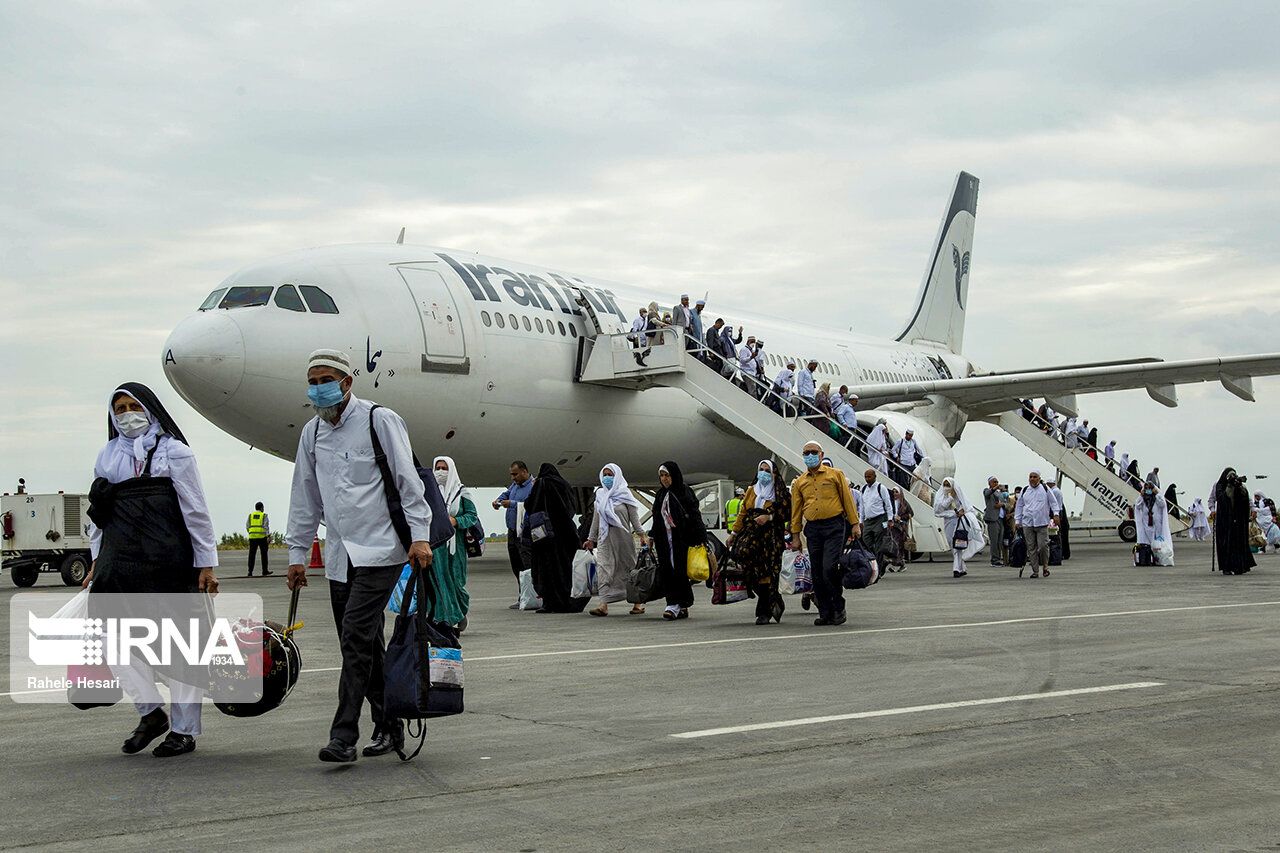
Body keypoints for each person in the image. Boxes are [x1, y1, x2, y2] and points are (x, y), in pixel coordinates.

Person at [285, 349, 433, 763]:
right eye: (312, 381)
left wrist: (419, 537)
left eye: (326, 379)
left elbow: (407, 479)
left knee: (354, 636)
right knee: (364, 646)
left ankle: (343, 735)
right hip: (339, 557)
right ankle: (389, 725)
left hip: (382, 550)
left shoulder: (378, 420)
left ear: (347, 382)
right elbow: (305, 496)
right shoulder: (312, 433)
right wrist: (298, 554)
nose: (318, 388)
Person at [85, 383, 219, 758]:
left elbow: (196, 510)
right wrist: (96, 559)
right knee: (113, 641)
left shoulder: (175, 453)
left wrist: (205, 564)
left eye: (134, 406)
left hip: (169, 563)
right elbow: (99, 515)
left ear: (151, 409)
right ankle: (150, 711)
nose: (128, 414)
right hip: (120, 564)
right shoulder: (107, 456)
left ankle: (183, 730)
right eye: (120, 408)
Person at [790, 441, 861, 626]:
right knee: (817, 573)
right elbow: (796, 510)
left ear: (821, 455)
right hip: (813, 529)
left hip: (834, 526)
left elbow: (848, 500)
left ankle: (838, 606)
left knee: (829, 568)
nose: (810, 455)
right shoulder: (800, 482)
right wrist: (796, 536)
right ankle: (825, 612)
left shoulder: (835, 475)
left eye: (813, 452)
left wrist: (855, 524)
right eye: (806, 453)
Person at [728, 460, 791, 625]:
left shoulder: (780, 493)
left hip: (770, 539)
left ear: (774, 474)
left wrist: (769, 516)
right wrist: (734, 533)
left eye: (767, 470)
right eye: (761, 470)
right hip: (751, 536)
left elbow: (786, 512)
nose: (763, 473)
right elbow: (743, 513)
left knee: (767, 574)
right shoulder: (751, 491)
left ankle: (764, 612)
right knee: (749, 569)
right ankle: (774, 598)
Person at [583, 464, 648, 617]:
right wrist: (591, 539)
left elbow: (634, 519)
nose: (607, 477)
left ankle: (637, 604)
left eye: (610, 474)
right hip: (605, 540)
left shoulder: (625, 495)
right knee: (604, 569)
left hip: (623, 540)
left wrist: (642, 535)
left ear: (617, 476)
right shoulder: (600, 495)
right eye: (604, 474)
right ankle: (603, 605)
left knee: (629, 569)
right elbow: (596, 520)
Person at [524, 463, 588, 613]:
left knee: (548, 571)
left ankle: (551, 603)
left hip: (547, 535)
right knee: (566, 570)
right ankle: (568, 601)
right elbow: (571, 507)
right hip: (567, 533)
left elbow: (530, 504)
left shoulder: (542, 483)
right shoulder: (564, 484)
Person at [649, 461, 707, 620]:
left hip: (680, 539)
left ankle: (675, 605)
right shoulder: (660, 494)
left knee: (680, 571)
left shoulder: (684, 492)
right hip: (664, 540)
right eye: (661, 476)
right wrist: (651, 536)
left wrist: (701, 538)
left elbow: (695, 515)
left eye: (667, 475)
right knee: (668, 570)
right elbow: (657, 517)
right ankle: (679, 604)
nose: (664, 479)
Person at [428, 456, 476, 627]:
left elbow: (472, 516)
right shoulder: (428, 493)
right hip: (436, 546)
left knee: (456, 583)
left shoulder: (462, 492)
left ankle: (459, 612)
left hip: (456, 546)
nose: (440, 472)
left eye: (444, 468)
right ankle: (442, 619)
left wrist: (455, 521)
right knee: (437, 582)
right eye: (437, 468)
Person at [495, 461, 536, 607]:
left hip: (525, 533)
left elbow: (531, 505)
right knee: (516, 565)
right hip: (512, 531)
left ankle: (534, 596)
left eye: (515, 474)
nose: (513, 477)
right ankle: (523, 596)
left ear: (524, 472)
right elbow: (507, 493)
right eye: (511, 474)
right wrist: (499, 500)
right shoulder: (515, 485)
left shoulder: (533, 486)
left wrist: (511, 504)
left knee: (527, 565)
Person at [934, 478, 984, 578]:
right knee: (952, 545)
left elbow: (967, 508)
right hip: (949, 523)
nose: (946, 487)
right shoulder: (941, 496)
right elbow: (938, 511)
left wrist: (962, 512)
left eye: (948, 485)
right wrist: (950, 502)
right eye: (945, 485)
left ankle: (956, 569)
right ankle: (962, 568)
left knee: (958, 545)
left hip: (960, 524)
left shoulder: (960, 496)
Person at [1015, 470, 1057, 579]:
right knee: (1031, 548)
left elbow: (1053, 502)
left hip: (1041, 522)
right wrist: (1017, 521)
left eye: (1035, 477)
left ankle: (1045, 566)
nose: (1032, 479)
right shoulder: (1025, 490)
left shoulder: (1045, 489)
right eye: (1030, 477)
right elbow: (1019, 506)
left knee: (1043, 546)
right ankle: (1035, 571)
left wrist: (1056, 514)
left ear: (1039, 478)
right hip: (1027, 523)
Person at [857, 468, 895, 568]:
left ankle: (878, 566)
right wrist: (861, 520)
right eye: (865, 477)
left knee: (879, 544)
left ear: (874, 476)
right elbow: (862, 506)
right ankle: (872, 563)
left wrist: (890, 519)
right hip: (868, 521)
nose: (867, 479)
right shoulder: (863, 488)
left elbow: (888, 504)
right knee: (866, 542)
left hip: (879, 519)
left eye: (869, 476)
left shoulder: (880, 488)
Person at [1135, 481, 1172, 564]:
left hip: (1157, 524)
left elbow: (1162, 504)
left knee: (1158, 542)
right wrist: (1141, 495)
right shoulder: (1144, 498)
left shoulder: (1157, 498)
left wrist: (1157, 494)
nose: (1148, 491)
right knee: (1148, 542)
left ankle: (1158, 558)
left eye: (1150, 489)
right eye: (1146, 488)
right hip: (1147, 524)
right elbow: (1137, 506)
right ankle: (1149, 558)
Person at [885, 487, 913, 571]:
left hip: (901, 527)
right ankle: (898, 563)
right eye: (893, 492)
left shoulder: (904, 503)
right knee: (893, 545)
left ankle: (898, 563)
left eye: (896, 492)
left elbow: (911, 513)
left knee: (898, 545)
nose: (894, 494)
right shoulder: (890, 502)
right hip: (892, 526)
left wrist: (900, 517)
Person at [246, 501, 273, 577]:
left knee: (252, 555)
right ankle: (264, 571)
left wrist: (251, 533)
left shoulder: (250, 515)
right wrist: (268, 536)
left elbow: (247, 526)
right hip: (262, 537)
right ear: (262, 508)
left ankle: (250, 572)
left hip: (252, 537)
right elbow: (266, 526)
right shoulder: (264, 515)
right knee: (264, 555)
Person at [1046, 477, 1070, 560]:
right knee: (1060, 534)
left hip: (1056, 514)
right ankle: (1063, 553)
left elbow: (1053, 504)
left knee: (1055, 534)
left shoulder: (1053, 491)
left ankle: (1058, 553)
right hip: (1059, 512)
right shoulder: (1058, 490)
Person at [983, 477, 1005, 566]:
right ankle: (994, 560)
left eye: (997, 482)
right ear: (989, 483)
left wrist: (1002, 504)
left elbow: (1006, 503)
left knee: (1000, 541)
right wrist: (995, 488)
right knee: (994, 540)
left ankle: (998, 558)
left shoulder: (1000, 494)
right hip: (993, 519)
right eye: (994, 482)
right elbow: (988, 493)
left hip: (1000, 519)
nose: (996, 483)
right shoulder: (987, 491)